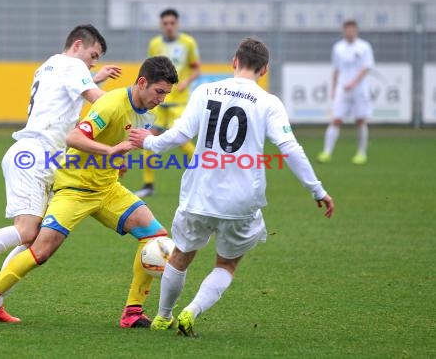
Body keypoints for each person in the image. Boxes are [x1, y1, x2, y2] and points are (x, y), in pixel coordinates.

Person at [0, 56, 179, 329]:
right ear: (142, 82)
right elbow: (73, 138)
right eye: (159, 91)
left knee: (154, 236)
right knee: (41, 252)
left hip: (107, 189)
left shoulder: (148, 112)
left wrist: (118, 161)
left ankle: (132, 312)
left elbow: (120, 141)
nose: (162, 99)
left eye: (166, 93)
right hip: (74, 189)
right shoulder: (111, 104)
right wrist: (109, 151)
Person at [129, 38, 335, 337]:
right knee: (226, 264)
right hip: (240, 201)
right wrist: (317, 190)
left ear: (234, 61)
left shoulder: (205, 91)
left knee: (181, 255)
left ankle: (163, 315)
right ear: (264, 69)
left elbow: (180, 133)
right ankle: (193, 310)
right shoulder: (268, 102)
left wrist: (149, 142)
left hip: (199, 194)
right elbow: (289, 148)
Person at [0, 24, 121, 322]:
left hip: (42, 157)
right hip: (34, 156)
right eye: (93, 54)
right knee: (27, 232)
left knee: (33, 242)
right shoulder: (73, 65)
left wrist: (94, 77)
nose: (93, 62)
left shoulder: (50, 65)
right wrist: (129, 103)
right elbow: (101, 101)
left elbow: (65, 95)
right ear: (77, 45)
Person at [134, 8, 200, 198]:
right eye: (165, 23)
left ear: (177, 24)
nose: (169, 26)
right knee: (147, 139)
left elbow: (196, 69)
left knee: (182, 141)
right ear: (161, 25)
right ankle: (148, 185)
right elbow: (149, 70)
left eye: (172, 23)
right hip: (157, 103)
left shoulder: (188, 43)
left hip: (178, 103)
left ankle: (204, 176)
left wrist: (185, 82)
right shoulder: (155, 44)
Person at [318, 19, 375, 165]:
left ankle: (361, 153)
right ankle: (327, 152)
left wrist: (354, 82)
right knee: (336, 119)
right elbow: (336, 69)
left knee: (360, 120)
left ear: (356, 31)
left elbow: (366, 67)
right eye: (347, 30)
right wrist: (333, 88)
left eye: (352, 30)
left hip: (359, 89)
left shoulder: (364, 47)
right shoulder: (338, 48)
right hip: (342, 89)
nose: (350, 32)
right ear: (344, 31)